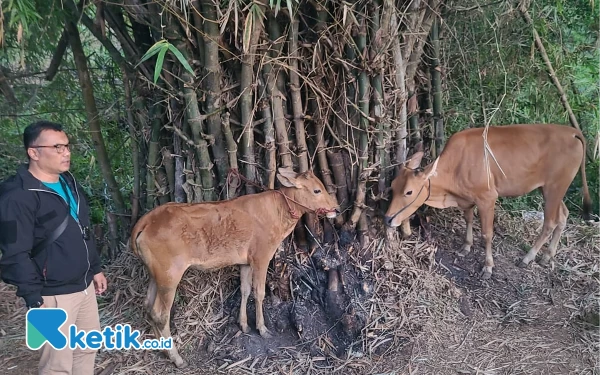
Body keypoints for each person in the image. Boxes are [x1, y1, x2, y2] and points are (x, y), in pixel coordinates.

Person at [0, 120, 107, 375]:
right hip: (52, 295)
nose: (66, 152)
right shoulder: (16, 196)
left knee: (86, 347)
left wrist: (95, 268)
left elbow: (82, 229)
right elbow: (14, 252)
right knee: (57, 363)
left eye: (67, 146)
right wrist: (33, 297)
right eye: (57, 147)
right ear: (33, 152)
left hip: (83, 287)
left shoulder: (68, 182)